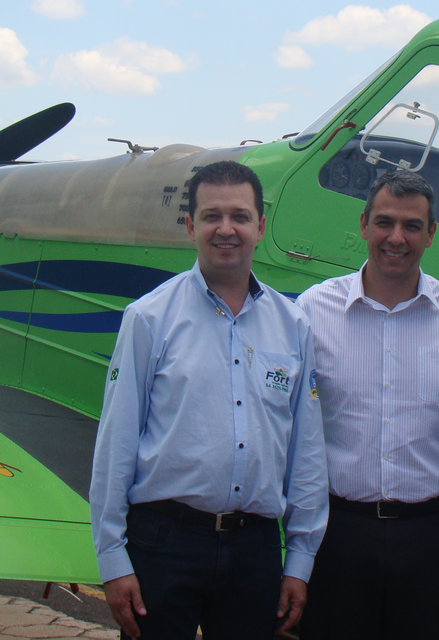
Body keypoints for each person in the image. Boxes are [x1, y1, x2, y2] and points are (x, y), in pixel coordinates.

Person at [89, 161, 329, 640]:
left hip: (255, 549)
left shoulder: (294, 325)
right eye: (211, 216)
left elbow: (307, 452)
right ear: (189, 226)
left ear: (260, 226)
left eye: (240, 216)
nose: (226, 229)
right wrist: (113, 560)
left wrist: (300, 560)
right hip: (163, 543)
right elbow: (115, 442)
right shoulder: (149, 318)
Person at [295, 170, 439, 640]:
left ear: (431, 235)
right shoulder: (313, 309)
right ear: (364, 224)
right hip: (337, 534)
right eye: (385, 222)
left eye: (412, 226)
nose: (396, 237)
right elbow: (284, 413)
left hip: (432, 538)